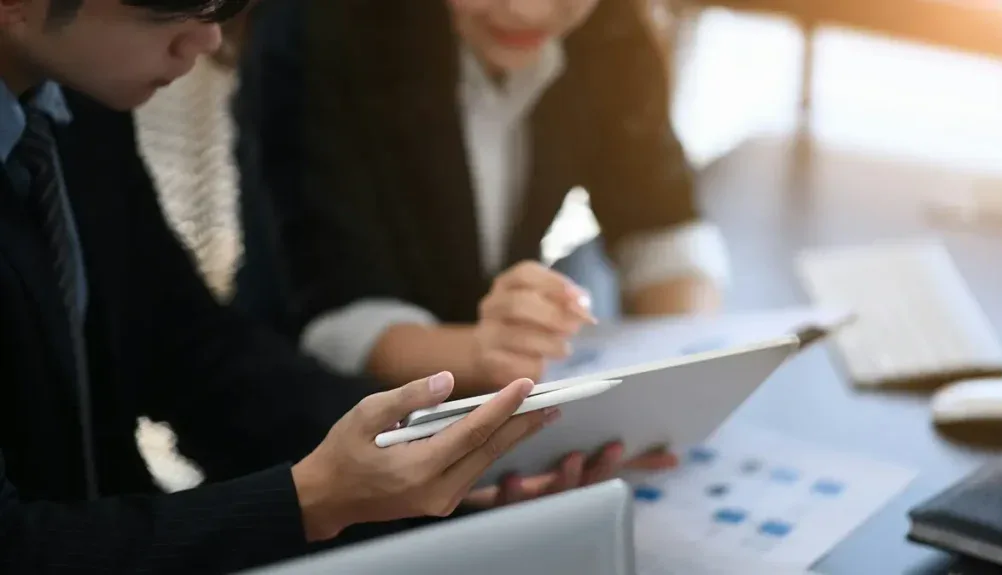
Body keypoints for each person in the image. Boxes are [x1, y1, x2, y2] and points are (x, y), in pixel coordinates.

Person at [0, 0, 639, 571]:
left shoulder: (75, 100)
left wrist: (451, 457)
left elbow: (187, 348)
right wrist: (313, 499)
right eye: (173, 7)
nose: (206, 42)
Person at [233, 0, 732, 395]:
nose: (528, 10)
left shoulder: (608, 25)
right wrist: (483, 355)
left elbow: (659, 221)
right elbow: (339, 316)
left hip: (495, 388)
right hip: (304, 410)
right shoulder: (316, 25)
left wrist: (685, 361)